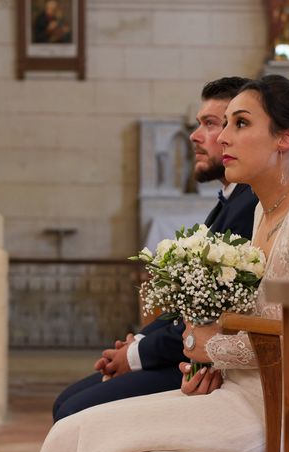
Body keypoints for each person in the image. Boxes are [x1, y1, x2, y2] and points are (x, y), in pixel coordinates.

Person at [31, 74, 289, 452]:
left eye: (240, 123)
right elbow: (254, 324)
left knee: (81, 435)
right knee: (72, 434)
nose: (223, 138)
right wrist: (208, 368)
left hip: (285, 414)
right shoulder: (262, 212)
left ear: (285, 138)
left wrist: (210, 350)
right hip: (237, 394)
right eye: (225, 125)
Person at [52, 77, 258, 422]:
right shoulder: (230, 202)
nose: (197, 136)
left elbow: (217, 318)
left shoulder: (249, 206)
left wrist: (135, 355)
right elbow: (189, 305)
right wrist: (135, 342)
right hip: (183, 350)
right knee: (68, 402)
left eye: (210, 124)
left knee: (73, 411)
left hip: (208, 367)